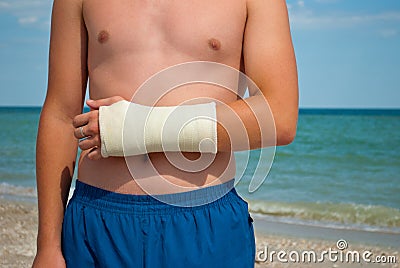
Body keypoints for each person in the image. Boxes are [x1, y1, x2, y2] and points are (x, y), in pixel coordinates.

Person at [33, 0, 298, 267]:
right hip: (98, 222)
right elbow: (61, 115)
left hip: (203, 224)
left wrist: (136, 127)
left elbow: (279, 116)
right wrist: (48, 246)